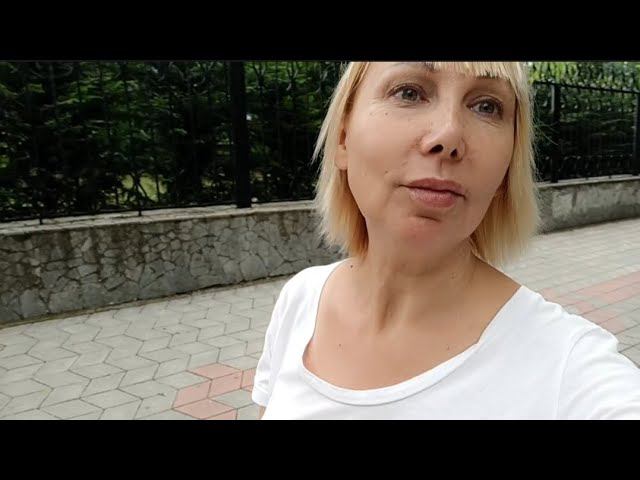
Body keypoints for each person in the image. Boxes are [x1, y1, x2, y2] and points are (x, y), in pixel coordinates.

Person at [251, 62, 640, 419]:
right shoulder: (300, 301)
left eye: (487, 106)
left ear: (507, 166)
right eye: (409, 92)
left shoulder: (568, 368)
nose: (449, 134)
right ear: (343, 139)